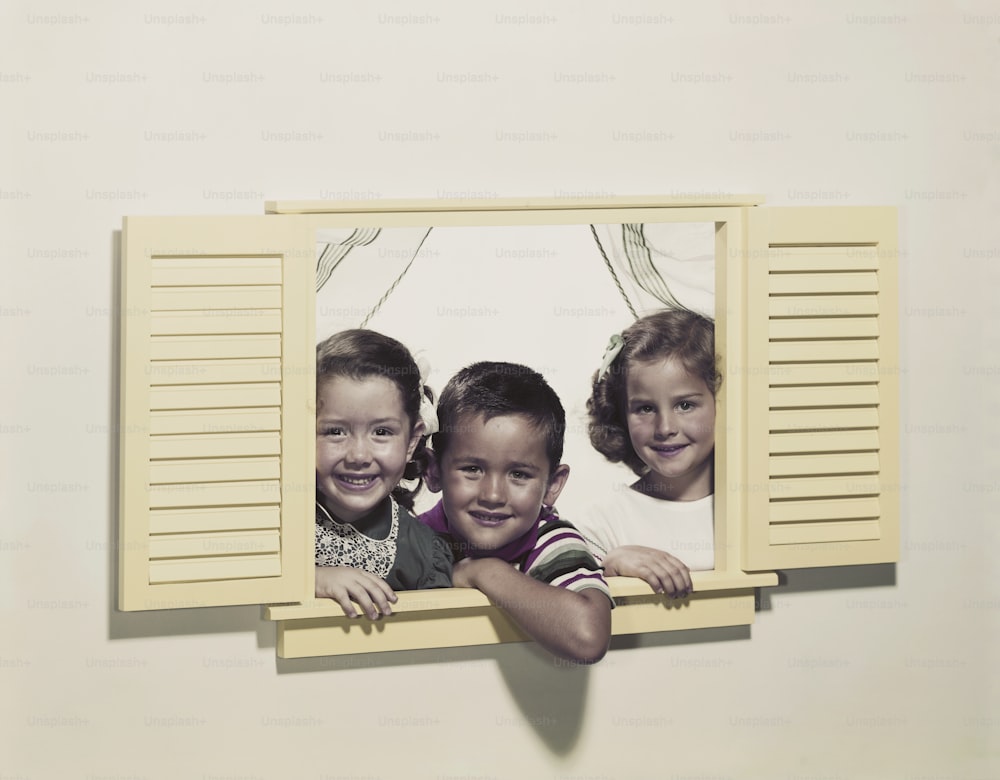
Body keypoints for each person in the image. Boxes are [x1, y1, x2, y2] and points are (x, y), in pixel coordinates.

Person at [419, 361, 612, 665]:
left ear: (552, 485)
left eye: (519, 475)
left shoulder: (550, 539)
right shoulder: (414, 536)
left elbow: (588, 637)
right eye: (472, 469)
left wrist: (485, 571)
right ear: (432, 471)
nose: (493, 495)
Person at [580, 309, 720, 597]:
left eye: (685, 405)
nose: (665, 428)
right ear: (621, 415)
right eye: (645, 408)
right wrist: (611, 566)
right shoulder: (602, 525)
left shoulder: (756, 509)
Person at [314, 329, 452, 619]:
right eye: (335, 431)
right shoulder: (272, 523)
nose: (359, 456)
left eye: (381, 432)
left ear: (412, 441)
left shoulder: (425, 555)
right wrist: (309, 580)